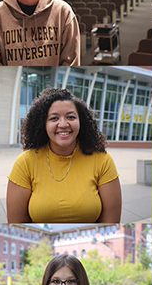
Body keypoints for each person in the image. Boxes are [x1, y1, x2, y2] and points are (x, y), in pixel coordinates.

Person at [7, 88, 121, 223]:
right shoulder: (25, 162)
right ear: (43, 124)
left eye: (71, 117)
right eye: (54, 118)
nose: (63, 124)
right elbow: (17, 226)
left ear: (81, 121)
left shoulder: (102, 160)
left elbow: (110, 224)